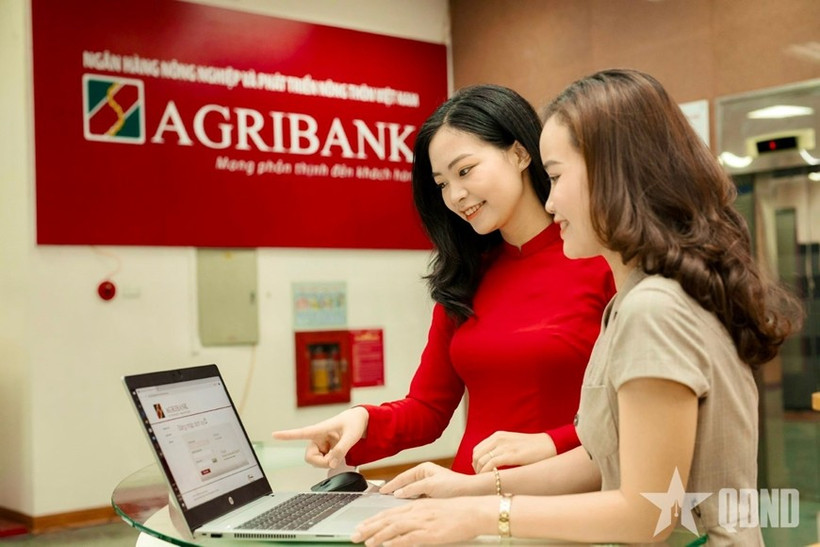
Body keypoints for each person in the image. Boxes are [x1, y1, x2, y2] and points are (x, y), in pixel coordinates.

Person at [350, 69, 805, 546]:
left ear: (613, 174)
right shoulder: (643, 298)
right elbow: (602, 457)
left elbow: (648, 513)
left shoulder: (653, 308)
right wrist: (473, 492)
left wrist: (484, 513)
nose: (551, 200)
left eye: (556, 176)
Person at [274, 84, 615, 476]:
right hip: (467, 502)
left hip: (566, 503)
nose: (454, 195)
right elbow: (428, 409)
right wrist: (361, 421)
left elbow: (633, 419)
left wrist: (553, 441)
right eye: (441, 184)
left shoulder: (600, 261)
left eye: (465, 171)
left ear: (520, 153)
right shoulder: (466, 275)